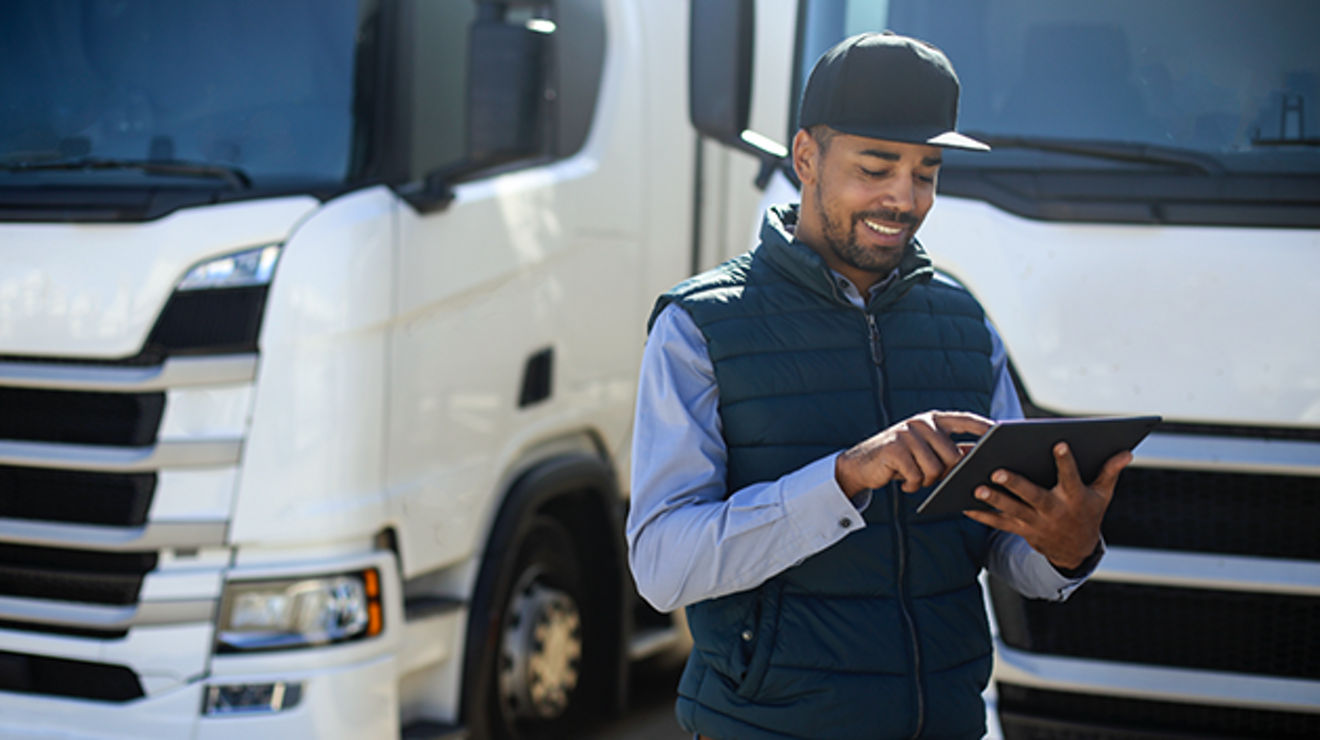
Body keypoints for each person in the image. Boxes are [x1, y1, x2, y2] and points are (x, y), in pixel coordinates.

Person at [626, 32, 1132, 740]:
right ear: (805, 157)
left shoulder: (965, 323)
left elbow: (1005, 553)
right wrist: (844, 477)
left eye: (926, 172)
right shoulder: (699, 327)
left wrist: (1066, 547)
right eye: (876, 167)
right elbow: (662, 567)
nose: (904, 197)